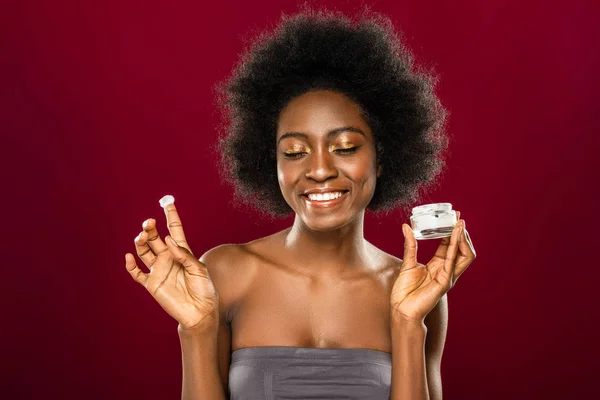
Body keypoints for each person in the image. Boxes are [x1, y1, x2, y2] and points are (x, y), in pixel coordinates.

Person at [125, 5, 476, 400]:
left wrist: (409, 323)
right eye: (294, 152)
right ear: (268, 162)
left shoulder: (415, 290)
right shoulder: (225, 273)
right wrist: (195, 329)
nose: (320, 169)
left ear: (383, 156)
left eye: (344, 147)